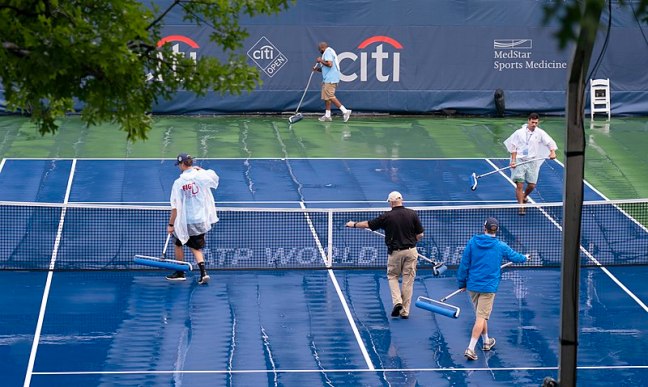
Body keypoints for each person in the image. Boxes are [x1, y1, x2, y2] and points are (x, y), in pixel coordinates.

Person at [457, 217, 528, 360]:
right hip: (488, 288)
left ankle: (486, 341)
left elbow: (464, 264)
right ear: (497, 230)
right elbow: (515, 257)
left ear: (485, 228)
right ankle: (470, 348)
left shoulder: (472, 242)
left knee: (481, 315)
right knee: (481, 317)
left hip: (473, 286)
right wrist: (525, 258)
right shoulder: (501, 246)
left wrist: (462, 283)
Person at [345, 191, 424, 319]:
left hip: (395, 253)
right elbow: (420, 235)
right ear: (401, 200)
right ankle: (405, 311)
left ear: (390, 202)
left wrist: (353, 224)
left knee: (392, 276)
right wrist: (412, 240)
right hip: (411, 251)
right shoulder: (412, 213)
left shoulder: (386, 217)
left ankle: (397, 301)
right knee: (408, 281)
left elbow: (368, 224)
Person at [166, 153, 219, 285]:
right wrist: (201, 170)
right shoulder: (201, 177)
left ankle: (180, 272)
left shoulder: (178, 183)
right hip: (200, 220)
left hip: (185, 222)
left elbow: (175, 207)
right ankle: (203, 273)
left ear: (183, 164)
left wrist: (171, 224)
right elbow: (213, 177)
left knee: (178, 244)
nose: (179, 166)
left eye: (179, 164)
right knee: (196, 248)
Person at [503, 112, 558, 215]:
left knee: (532, 185)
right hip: (519, 160)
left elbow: (550, 142)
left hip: (532, 161)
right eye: (532, 122)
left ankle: (524, 197)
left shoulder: (540, 133)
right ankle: (521, 206)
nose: (534, 124)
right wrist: (513, 160)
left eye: (536, 123)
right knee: (519, 184)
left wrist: (552, 152)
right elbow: (513, 147)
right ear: (528, 121)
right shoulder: (519, 132)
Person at [314, 41, 352, 123]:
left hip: (331, 79)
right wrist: (317, 69)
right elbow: (326, 68)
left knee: (330, 96)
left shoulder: (327, 52)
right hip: (327, 79)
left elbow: (330, 64)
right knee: (326, 98)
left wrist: (320, 60)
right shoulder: (329, 52)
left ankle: (345, 111)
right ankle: (327, 115)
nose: (319, 51)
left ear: (322, 48)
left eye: (319, 50)